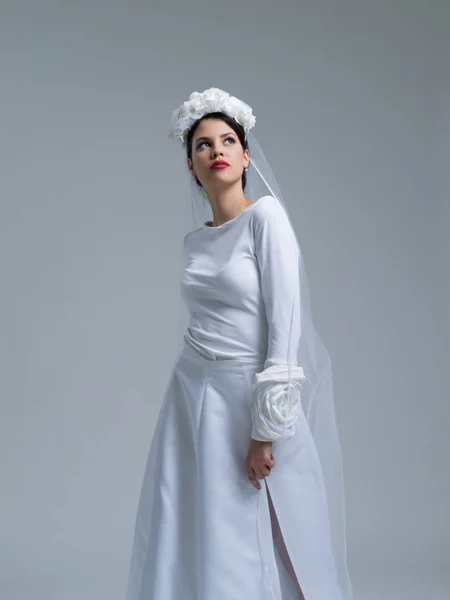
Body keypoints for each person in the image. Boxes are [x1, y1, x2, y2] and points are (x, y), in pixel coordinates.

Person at [124, 88, 353, 600]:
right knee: (195, 526)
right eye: (203, 145)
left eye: (228, 140)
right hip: (189, 397)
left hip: (249, 398)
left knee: (265, 530)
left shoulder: (266, 219)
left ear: (246, 156)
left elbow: (285, 326)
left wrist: (265, 429)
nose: (216, 150)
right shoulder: (196, 240)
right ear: (191, 165)